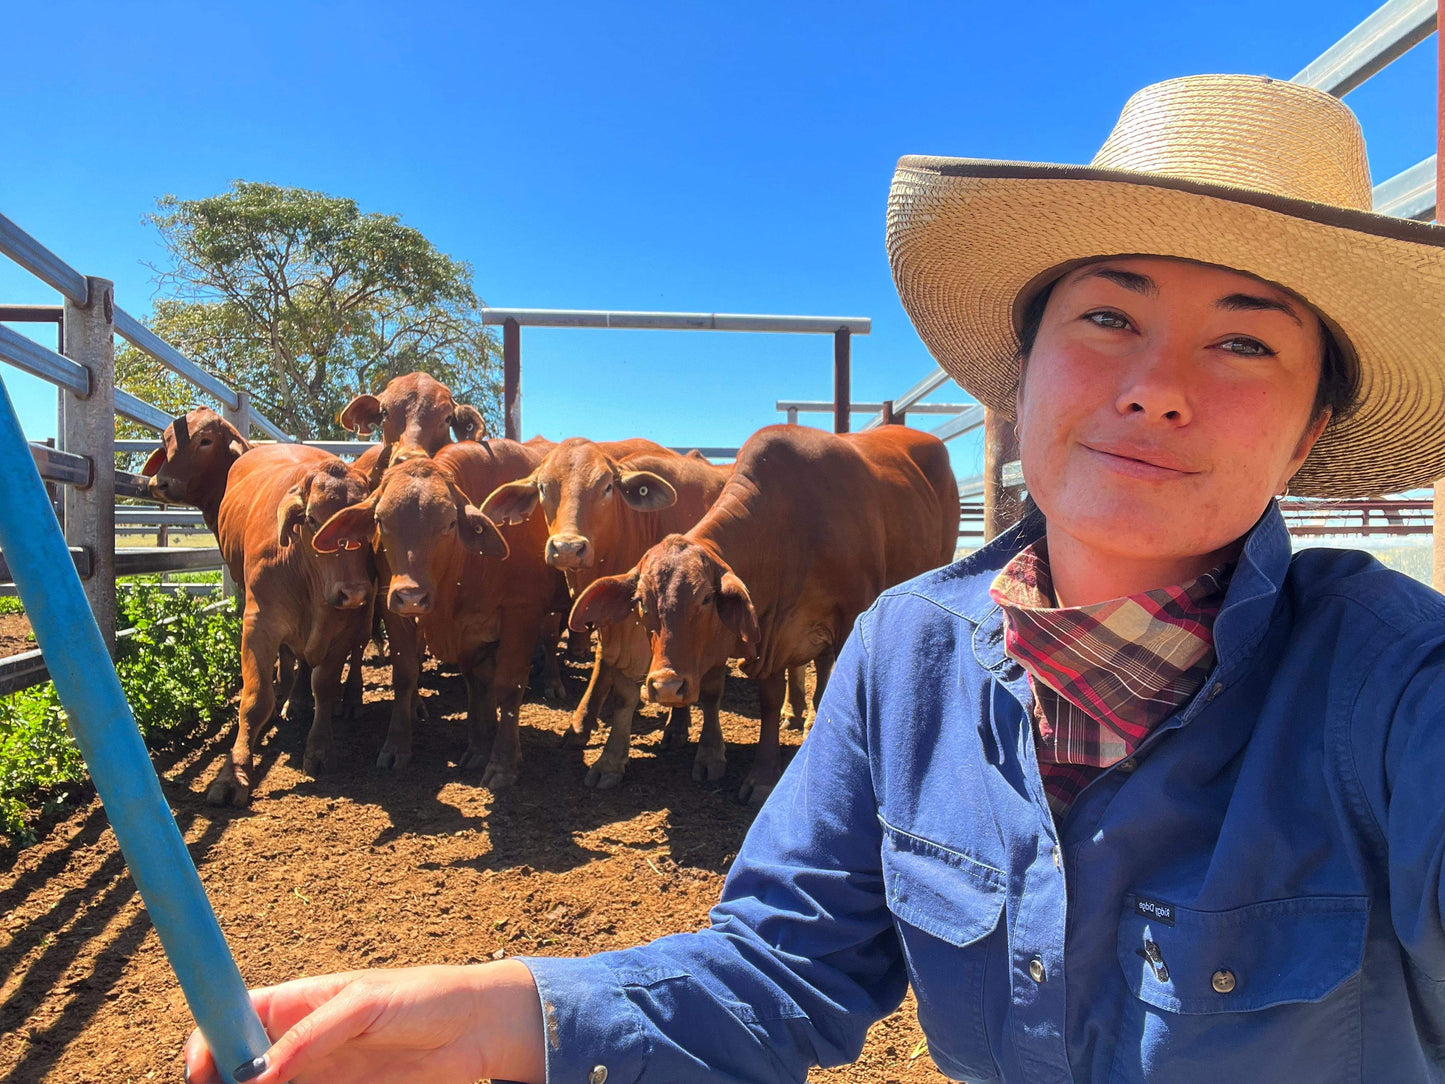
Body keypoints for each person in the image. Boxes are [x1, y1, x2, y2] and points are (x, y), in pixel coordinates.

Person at [184, 74, 1445, 1083]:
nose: (1155, 382)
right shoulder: (902, 654)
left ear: (1310, 429)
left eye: (1242, 340)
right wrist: (507, 1013)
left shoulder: (1393, 686)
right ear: (1018, 378)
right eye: (1107, 317)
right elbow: (780, 969)